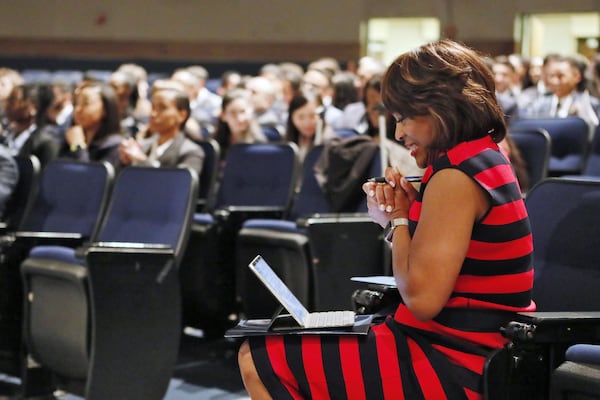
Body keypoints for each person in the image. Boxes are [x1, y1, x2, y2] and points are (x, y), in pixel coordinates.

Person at [238, 39, 535, 399]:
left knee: (259, 356)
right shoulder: (477, 159)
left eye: (403, 118)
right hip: (454, 345)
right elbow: (427, 275)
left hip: (453, 361)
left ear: (440, 107)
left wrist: (399, 219)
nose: (397, 133)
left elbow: (422, 300)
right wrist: (402, 219)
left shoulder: (456, 176)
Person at [118, 85, 204, 177]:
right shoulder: (142, 146)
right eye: (153, 108)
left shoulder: (191, 152)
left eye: (162, 108)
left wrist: (141, 161)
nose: (153, 114)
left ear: (182, 115)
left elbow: (178, 185)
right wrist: (126, 162)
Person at [60, 82, 125, 169]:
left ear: (105, 109)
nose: (78, 109)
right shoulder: (69, 139)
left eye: (86, 103)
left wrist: (78, 147)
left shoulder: (115, 146)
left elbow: (91, 179)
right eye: (76, 103)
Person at [212, 88, 267, 165]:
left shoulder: (260, 145)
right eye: (233, 113)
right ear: (223, 116)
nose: (239, 119)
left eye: (243, 111)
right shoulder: (215, 145)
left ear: (251, 111)